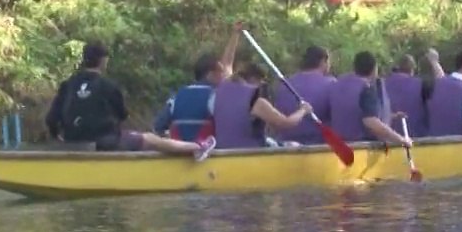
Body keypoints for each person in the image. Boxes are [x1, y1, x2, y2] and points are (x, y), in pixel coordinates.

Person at [45, 41, 210, 159]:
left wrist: (58, 136)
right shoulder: (108, 86)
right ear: (104, 61)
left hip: (73, 142)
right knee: (150, 139)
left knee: (136, 138)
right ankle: (197, 147)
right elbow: (122, 115)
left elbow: (51, 119)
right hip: (104, 141)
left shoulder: (67, 85)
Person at [151, 26, 242, 143]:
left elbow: (158, 127)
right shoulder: (216, 97)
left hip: (179, 156)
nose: (224, 75)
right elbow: (233, 127)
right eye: (221, 71)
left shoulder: (177, 97)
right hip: (211, 156)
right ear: (211, 74)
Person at [211, 63, 315, 149]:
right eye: (260, 82)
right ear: (253, 78)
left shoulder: (222, 89)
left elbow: (227, 64)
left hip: (223, 151)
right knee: (294, 145)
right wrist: (303, 110)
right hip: (249, 153)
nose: (261, 86)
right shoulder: (256, 101)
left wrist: (235, 37)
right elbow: (286, 123)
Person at [327, 52, 414, 146]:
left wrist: (391, 115)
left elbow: (352, 112)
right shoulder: (366, 89)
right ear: (374, 69)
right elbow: (371, 121)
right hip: (359, 148)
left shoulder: (339, 85)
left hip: (337, 147)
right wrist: (401, 139)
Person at [270, 45, 337, 145]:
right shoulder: (331, 84)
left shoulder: (285, 84)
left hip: (285, 145)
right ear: (323, 61)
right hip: (318, 146)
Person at [383, 49, 442, 138]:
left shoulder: (382, 83)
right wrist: (434, 62)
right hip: (416, 137)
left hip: (388, 137)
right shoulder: (421, 85)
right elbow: (442, 83)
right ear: (413, 69)